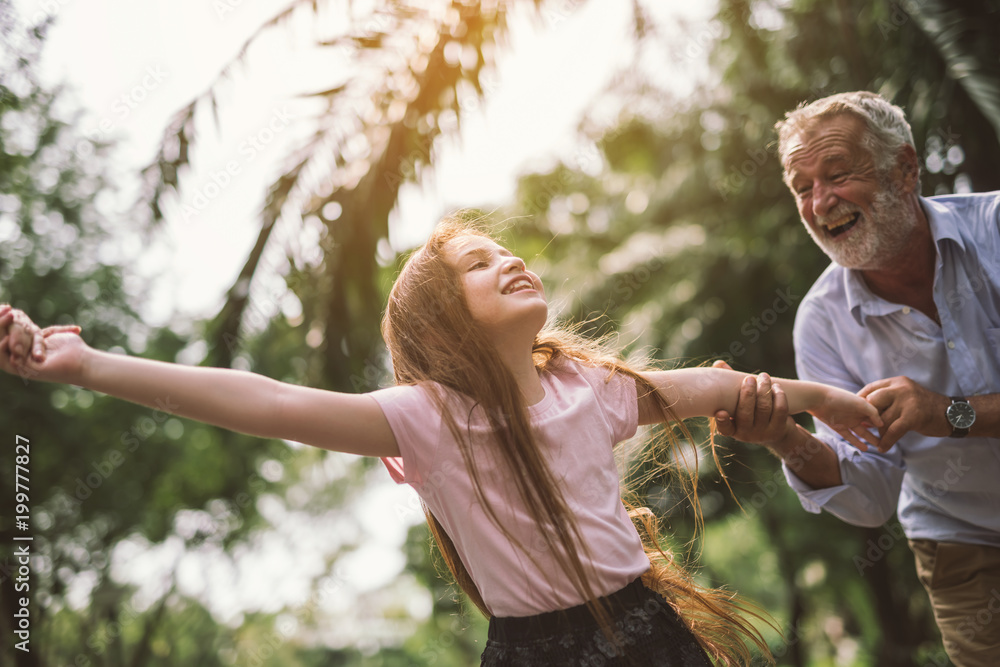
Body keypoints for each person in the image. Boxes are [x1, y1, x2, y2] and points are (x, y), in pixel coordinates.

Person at [0, 219, 883, 666]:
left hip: (648, 629)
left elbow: (712, 387)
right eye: (476, 264)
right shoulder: (425, 417)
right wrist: (87, 365)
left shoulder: (590, 387)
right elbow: (263, 399)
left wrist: (822, 399)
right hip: (534, 650)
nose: (506, 260)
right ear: (443, 320)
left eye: (504, 250)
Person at [714, 91, 1000, 665]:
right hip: (962, 547)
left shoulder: (994, 230)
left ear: (905, 169)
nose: (821, 203)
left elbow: (944, 416)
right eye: (802, 188)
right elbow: (871, 498)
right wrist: (785, 439)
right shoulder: (820, 323)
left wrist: (948, 413)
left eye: (837, 174)